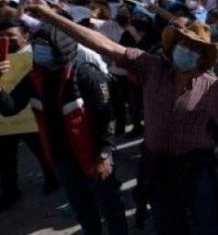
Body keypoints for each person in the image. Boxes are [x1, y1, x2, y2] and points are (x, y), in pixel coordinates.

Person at [20, 0, 218, 235]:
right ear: (173, 47)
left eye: (195, 48)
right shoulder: (151, 67)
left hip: (197, 168)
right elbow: (102, 44)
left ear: (203, 57)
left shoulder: (213, 87)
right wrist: (51, 17)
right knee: (166, 224)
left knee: (208, 225)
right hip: (158, 167)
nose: (187, 50)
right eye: (183, 44)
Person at [0, 23, 127, 235]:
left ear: (60, 47)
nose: (39, 50)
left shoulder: (85, 74)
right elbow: (10, 108)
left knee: (110, 207)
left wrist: (105, 154)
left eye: (44, 45)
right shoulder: (34, 77)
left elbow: (107, 116)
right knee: (83, 209)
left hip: (93, 156)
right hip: (61, 158)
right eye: (36, 44)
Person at [0, 19, 59, 211]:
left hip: (32, 116)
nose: (6, 40)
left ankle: (51, 178)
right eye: (2, 36)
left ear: (26, 36)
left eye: (11, 36)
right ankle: (10, 191)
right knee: (6, 158)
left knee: (41, 150)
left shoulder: (38, 56)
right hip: (5, 120)